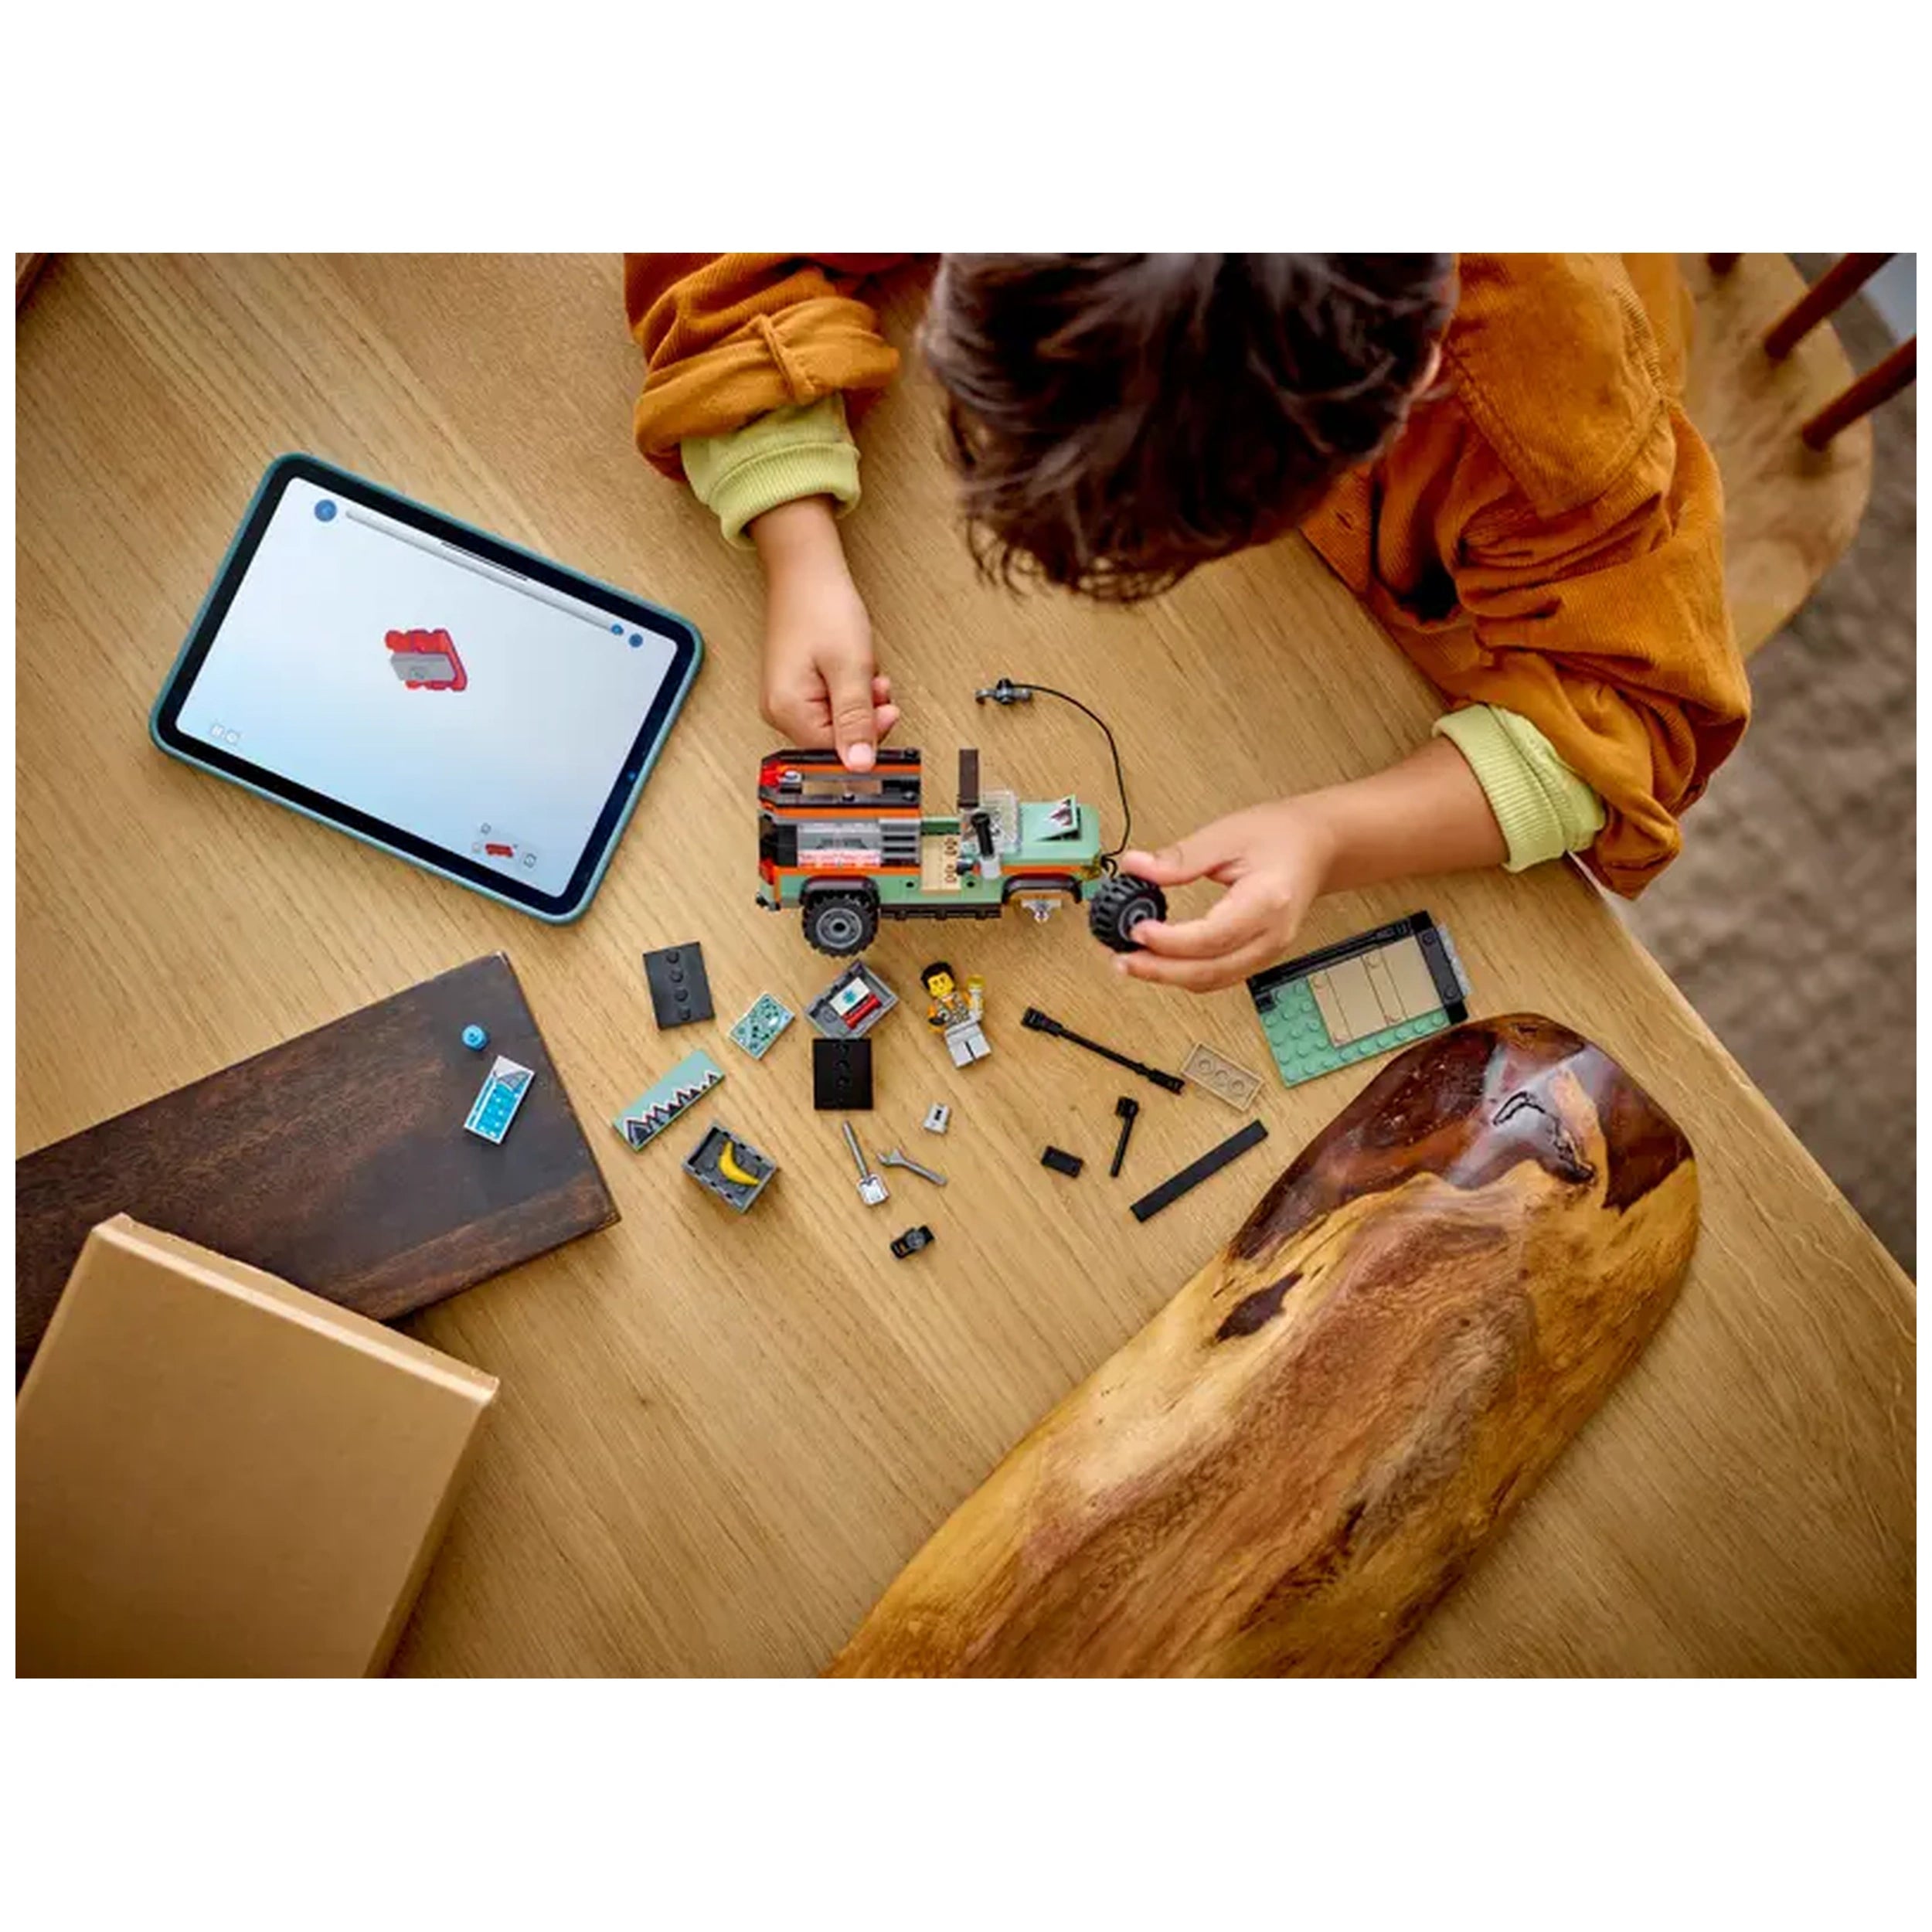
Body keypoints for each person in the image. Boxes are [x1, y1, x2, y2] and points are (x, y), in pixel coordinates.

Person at [623, 254, 1750, 992]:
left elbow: (1635, 725)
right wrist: (796, 536)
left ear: (1408, 390)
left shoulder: (1551, 427)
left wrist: (1334, 835)